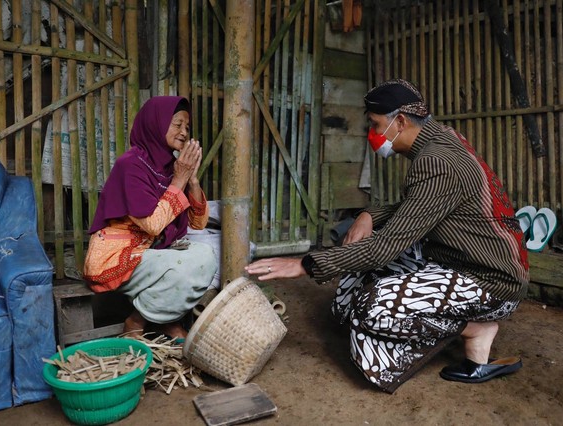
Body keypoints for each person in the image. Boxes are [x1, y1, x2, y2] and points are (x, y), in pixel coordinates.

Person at [245, 79, 529, 393]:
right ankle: (415, 322)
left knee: (370, 307)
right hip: (457, 260)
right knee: (346, 299)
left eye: (376, 124)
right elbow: (418, 206)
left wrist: (306, 264)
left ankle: (475, 329)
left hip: (490, 282)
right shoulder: (442, 140)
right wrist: (368, 214)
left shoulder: (436, 161)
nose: (373, 133)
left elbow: (384, 248)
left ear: (401, 121)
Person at [84, 96, 218, 340]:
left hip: (149, 254)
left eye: (187, 127)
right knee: (193, 264)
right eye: (177, 124)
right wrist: (180, 180)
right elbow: (153, 224)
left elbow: (198, 222)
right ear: (155, 124)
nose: (184, 133)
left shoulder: (171, 168)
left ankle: (160, 320)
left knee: (205, 256)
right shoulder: (131, 165)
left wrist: (193, 179)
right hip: (115, 259)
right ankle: (138, 321)